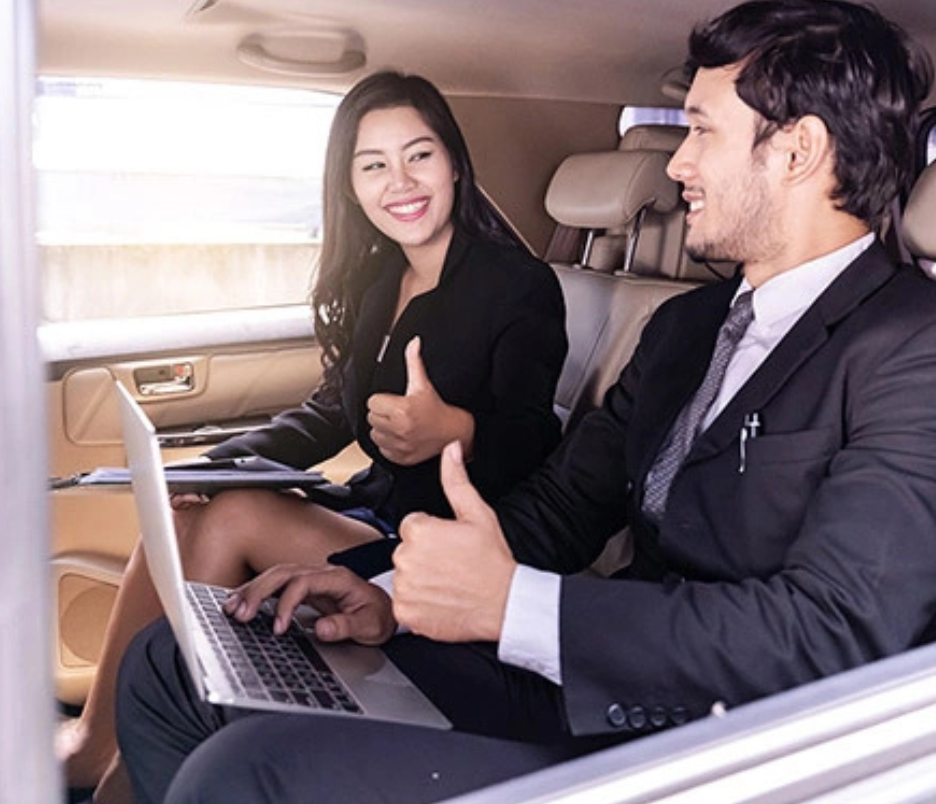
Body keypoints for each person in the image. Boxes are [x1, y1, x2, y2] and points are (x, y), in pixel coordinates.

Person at [116, 2, 936, 802]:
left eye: (701, 131)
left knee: (251, 769)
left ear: (797, 150)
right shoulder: (688, 326)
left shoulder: (911, 347)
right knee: (172, 665)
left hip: (717, 737)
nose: (678, 164)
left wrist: (515, 605)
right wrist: (393, 594)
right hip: (581, 671)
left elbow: (835, 631)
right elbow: (562, 507)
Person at [62, 70, 568, 801]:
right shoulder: (378, 280)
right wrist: (214, 464)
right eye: (374, 165)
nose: (401, 181)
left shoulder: (518, 285)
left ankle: (125, 775)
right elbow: (332, 410)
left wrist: (454, 430)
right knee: (187, 508)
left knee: (232, 517)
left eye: (419, 155)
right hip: (372, 509)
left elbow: (533, 437)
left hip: (441, 543)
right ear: (352, 186)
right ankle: (96, 743)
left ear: (455, 163)